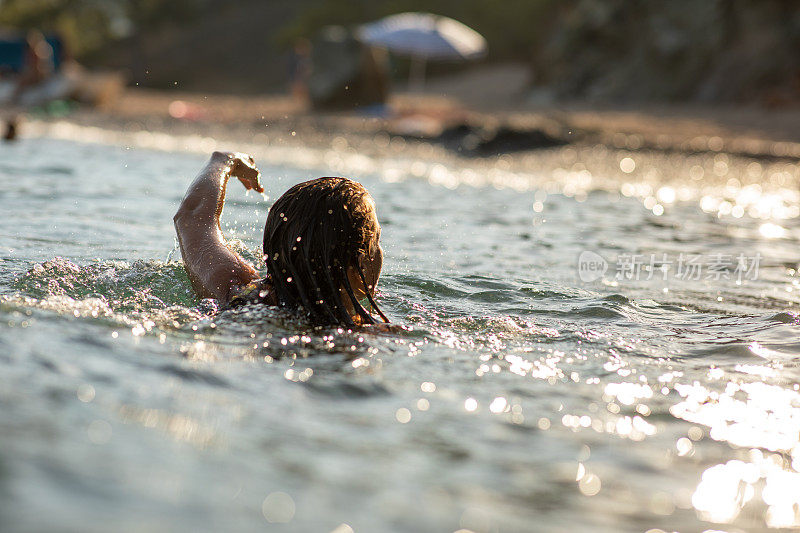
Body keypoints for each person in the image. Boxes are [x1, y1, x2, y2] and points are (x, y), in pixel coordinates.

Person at [174, 151, 389, 328]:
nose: (381, 251)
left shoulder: (238, 293)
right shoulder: (365, 333)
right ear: (359, 265)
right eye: (376, 241)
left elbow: (191, 217)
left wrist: (224, 161)